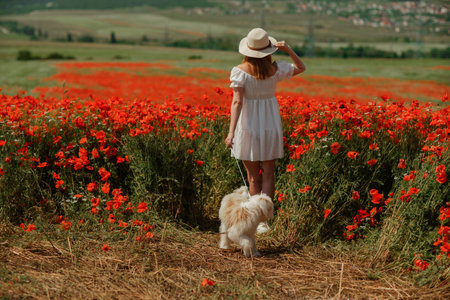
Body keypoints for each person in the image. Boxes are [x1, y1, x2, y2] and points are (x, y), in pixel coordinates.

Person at [224, 28, 306, 205]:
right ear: (268, 49)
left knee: (253, 177)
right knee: (269, 174)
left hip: (248, 123)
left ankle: (258, 219)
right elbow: (301, 67)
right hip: (270, 121)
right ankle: (266, 218)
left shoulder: (239, 71)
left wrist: (231, 133)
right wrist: (289, 49)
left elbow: (237, 102)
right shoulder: (276, 69)